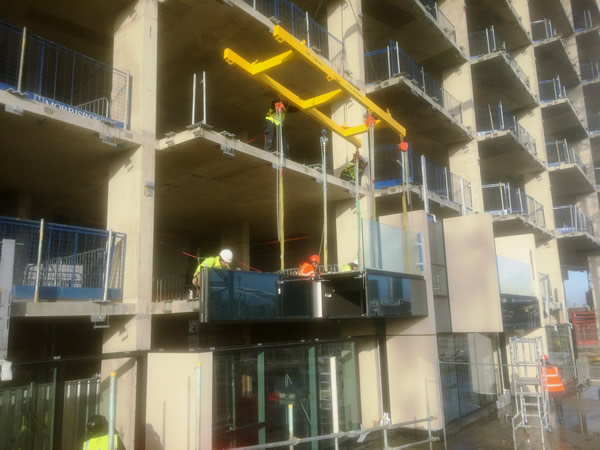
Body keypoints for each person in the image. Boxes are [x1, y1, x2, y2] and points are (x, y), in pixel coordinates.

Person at [541, 355, 566, 425]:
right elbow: (560, 377)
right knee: (558, 404)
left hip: (548, 389)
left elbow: (539, 378)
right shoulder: (555, 367)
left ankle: (546, 420)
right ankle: (561, 419)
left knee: (546, 404)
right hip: (558, 389)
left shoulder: (542, 368)